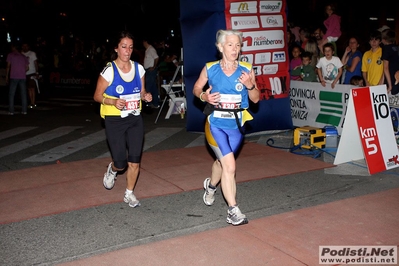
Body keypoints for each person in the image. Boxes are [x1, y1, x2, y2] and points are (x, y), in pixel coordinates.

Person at [192, 29, 260, 226]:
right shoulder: (210, 68)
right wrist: (204, 96)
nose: (235, 49)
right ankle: (233, 210)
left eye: (238, 45)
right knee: (230, 165)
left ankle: (211, 186)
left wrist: (249, 85)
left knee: (222, 163)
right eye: (230, 45)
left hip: (236, 127)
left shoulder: (247, 69)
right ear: (221, 47)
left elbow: (255, 99)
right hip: (215, 125)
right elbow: (196, 88)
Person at [93, 30, 152, 208]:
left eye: (130, 47)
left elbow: (141, 91)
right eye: (124, 47)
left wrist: (145, 96)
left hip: (134, 119)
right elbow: (96, 95)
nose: (127, 51)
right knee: (121, 163)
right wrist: (112, 101)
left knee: (134, 160)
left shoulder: (139, 69)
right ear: (117, 49)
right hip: (114, 120)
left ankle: (129, 193)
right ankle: (112, 169)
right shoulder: (109, 70)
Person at [6, 43, 29, 115]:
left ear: (13, 48)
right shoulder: (23, 56)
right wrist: (22, 71)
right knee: (23, 94)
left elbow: (8, 66)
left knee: (12, 94)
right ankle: (24, 110)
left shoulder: (10, 55)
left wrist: (7, 76)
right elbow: (27, 68)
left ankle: (11, 110)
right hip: (22, 76)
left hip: (14, 76)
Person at [142, 37, 160, 108]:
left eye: (143, 42)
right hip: (147, 70)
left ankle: (149, 103)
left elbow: (156, 57)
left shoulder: (151, 49)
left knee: (149, 86)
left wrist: (154, 66)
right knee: (153, 87)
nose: (143, 44)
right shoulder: (147, 50)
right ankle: (155, 103)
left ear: (146, 42)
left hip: (151, 70)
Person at [21, 42, 40, 108]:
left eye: (26, 46)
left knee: (32, 88)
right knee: (28, 88)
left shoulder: (32, 53)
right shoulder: (21, 54)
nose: (25, 47)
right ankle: (31, 102)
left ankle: (33, 102)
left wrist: (37, 72)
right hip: (24, 73)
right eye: (23, 46)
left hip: (32, 72)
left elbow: (35, 62)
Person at [381, 29, 399, 95]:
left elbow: (385, 68)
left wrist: (390, 86)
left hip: (391, 78)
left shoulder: (386, 49)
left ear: (384, 39)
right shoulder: (396, 48)